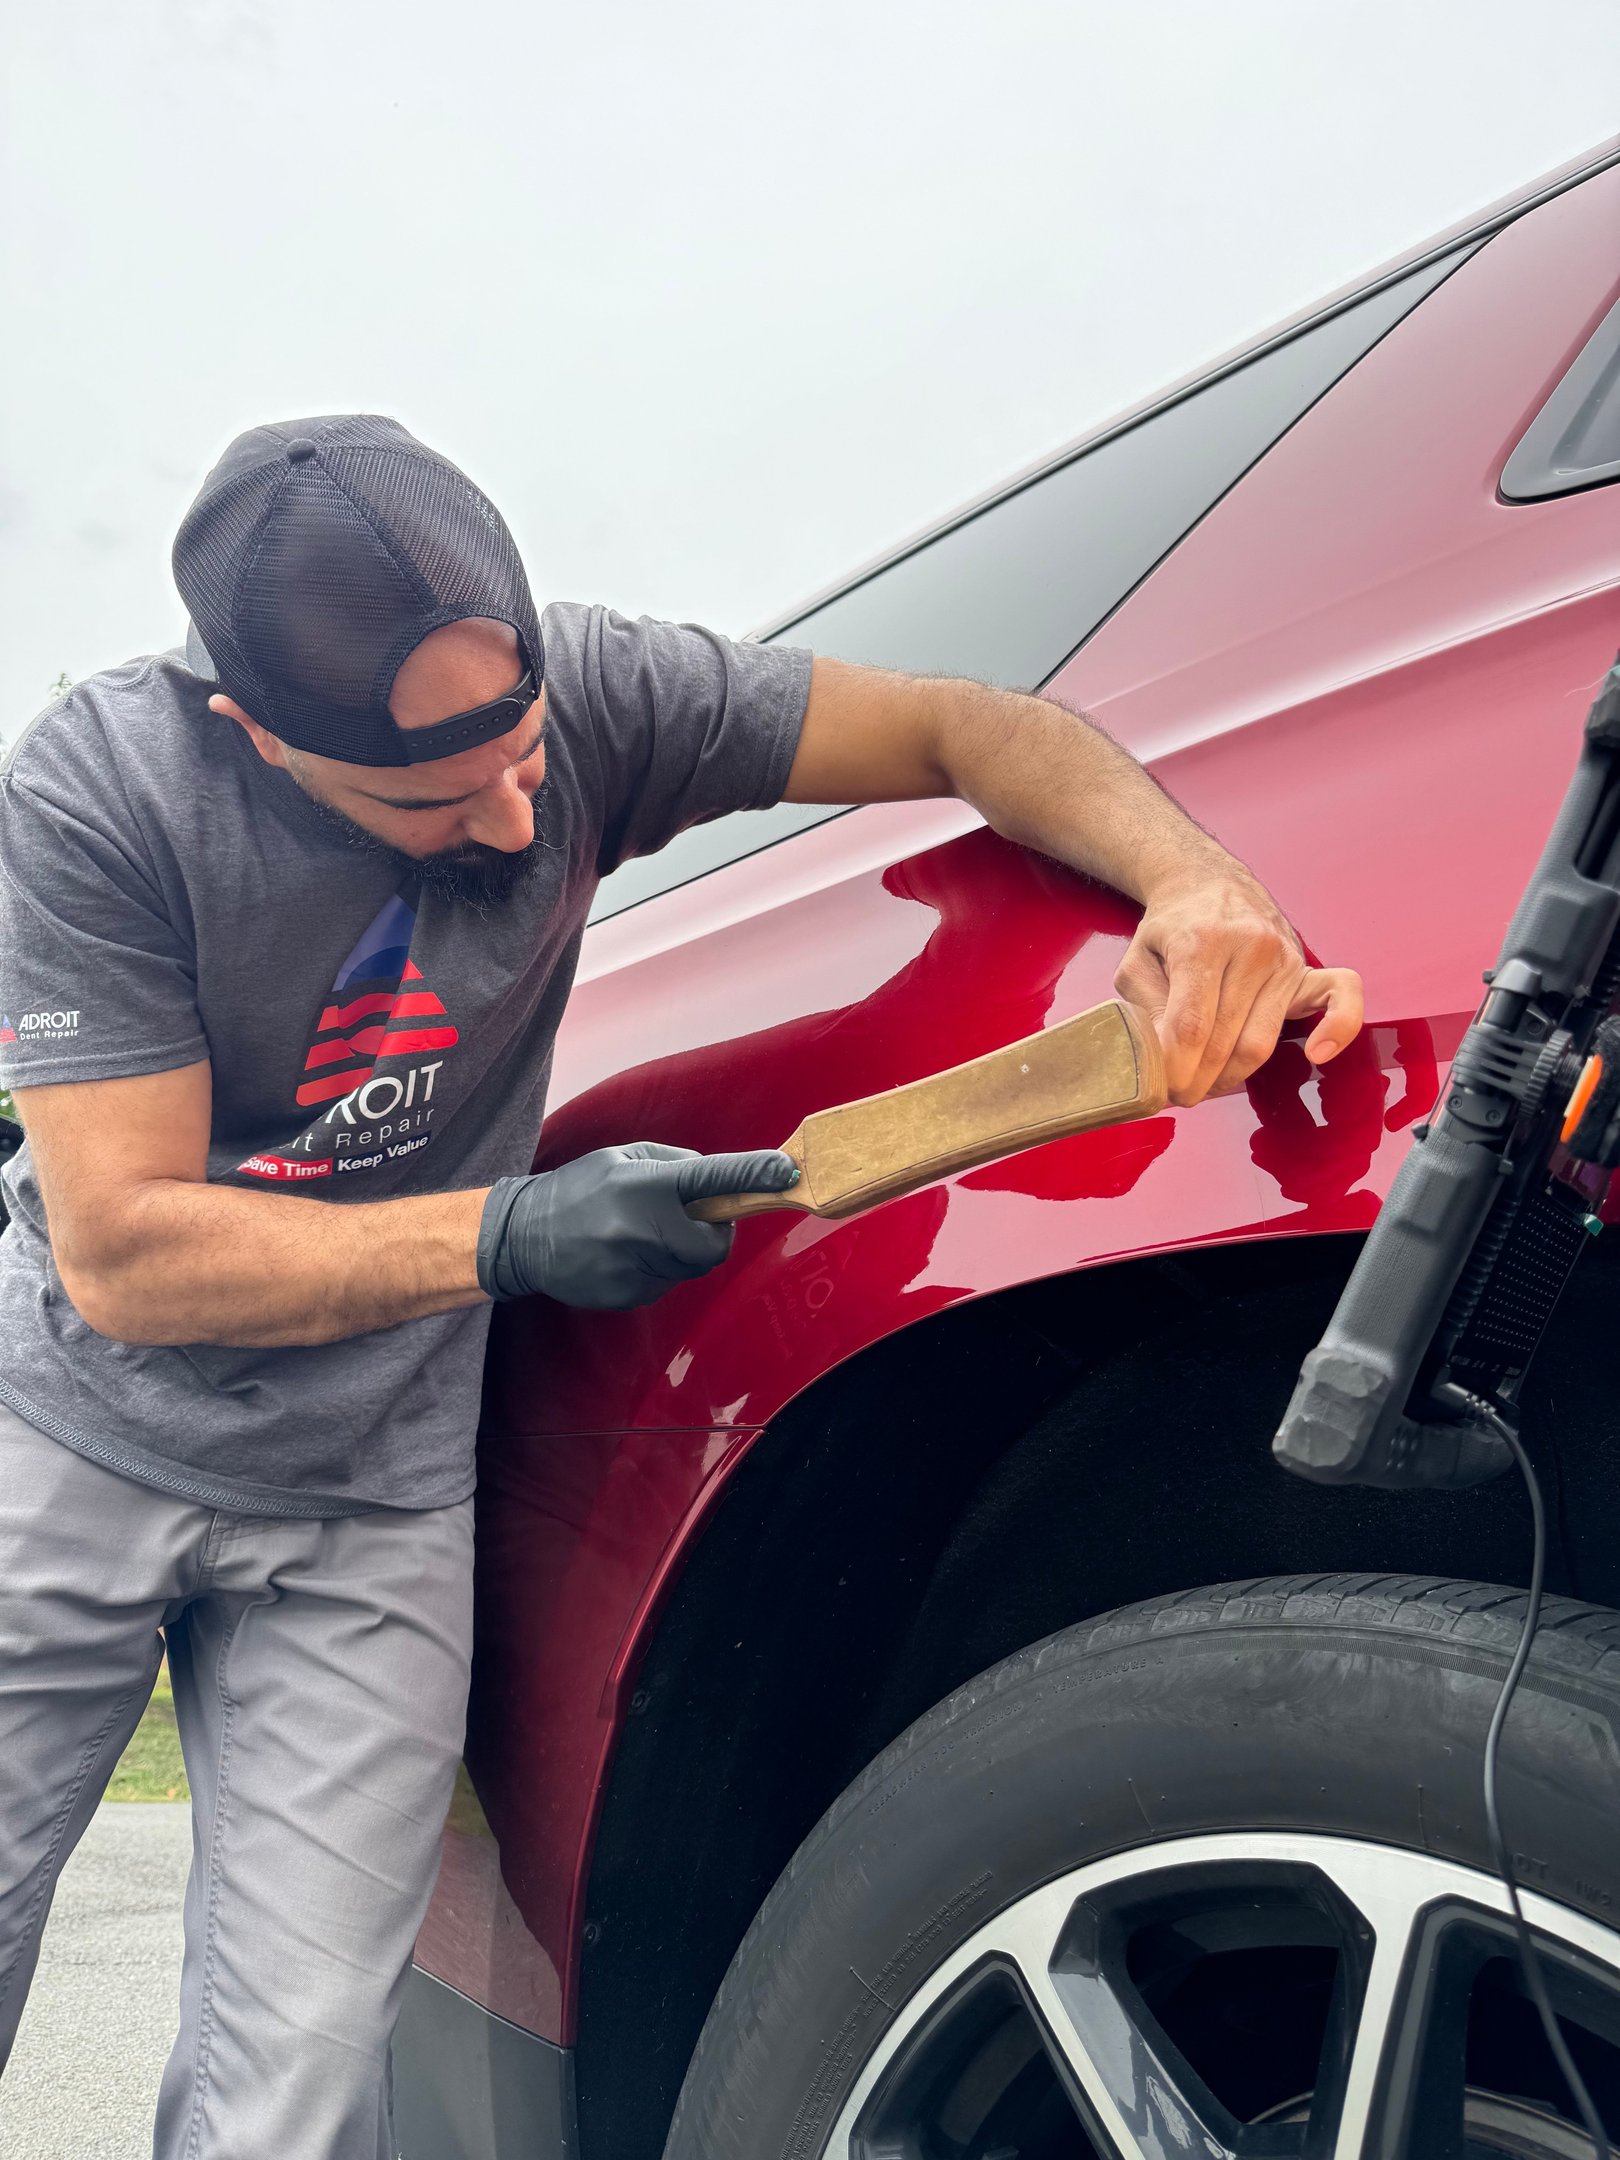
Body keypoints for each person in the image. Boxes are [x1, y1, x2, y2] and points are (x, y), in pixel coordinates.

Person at [0, 414, 1361, 2156]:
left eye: (529, 750)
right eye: (433, 801)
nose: (518, 818)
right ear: (250, 731)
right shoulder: (100, 792)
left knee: (301, 2091)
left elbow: (964, 723)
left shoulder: (603, 698)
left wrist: (1197, 883)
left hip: (367, 1494)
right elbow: (124, 1250)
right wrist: (511, 1234)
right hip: (80, 1447)